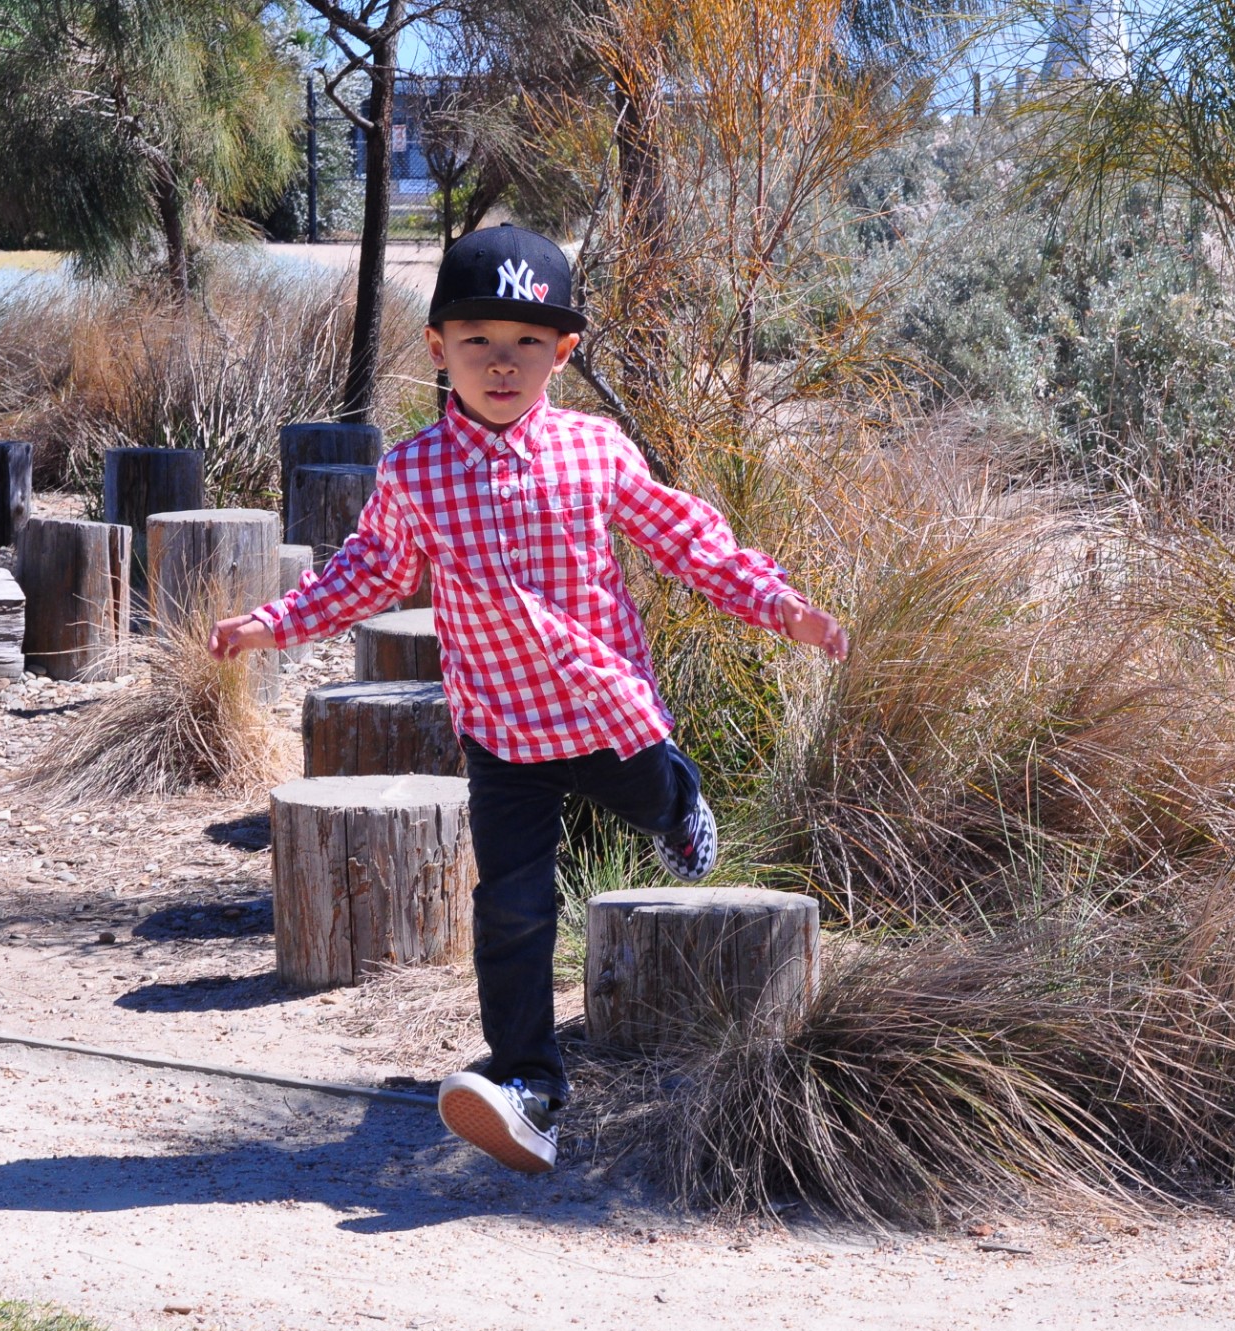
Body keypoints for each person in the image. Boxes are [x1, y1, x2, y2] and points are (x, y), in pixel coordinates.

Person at [210, 224, 848, 1174]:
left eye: (527, 347)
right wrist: (273, 623)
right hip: (502, 732)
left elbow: (689, 541)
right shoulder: (416, 471)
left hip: (607, 712)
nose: (501, 366)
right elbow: (368, 572)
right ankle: (529, 1089)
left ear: (564, 353)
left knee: (647, 791)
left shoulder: (597, 451)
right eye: (477, 344)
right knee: (511, 908)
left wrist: (780, 606)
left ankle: (676, 800)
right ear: (438, 349)